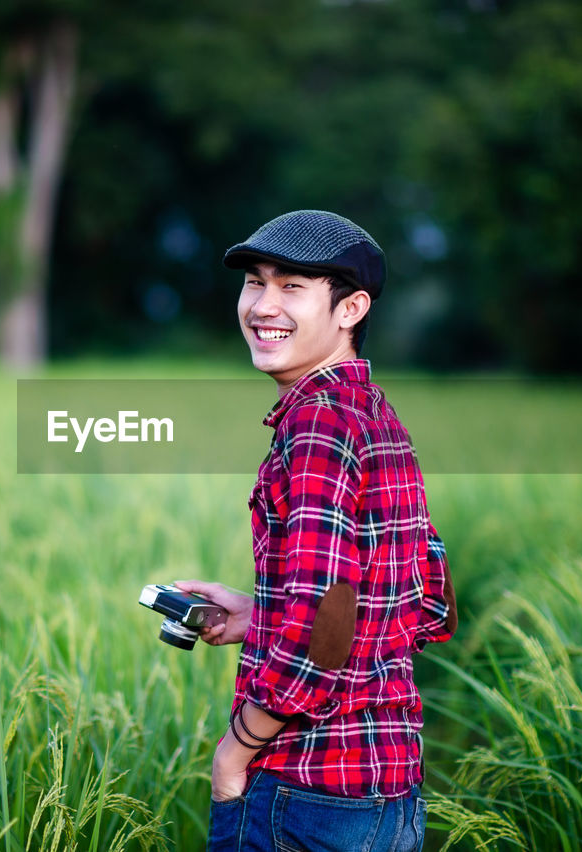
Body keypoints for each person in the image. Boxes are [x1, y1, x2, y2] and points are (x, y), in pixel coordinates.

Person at [176, 210, 458, 852]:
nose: (262, 305)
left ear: (351, 309)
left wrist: (235, 753)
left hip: (305, 795)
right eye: (255, 282)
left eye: (292, 287)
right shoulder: (374, 415)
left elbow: (318, 647)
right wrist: (263, 615)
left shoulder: (317, 428)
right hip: (388, 795)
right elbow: (427, 605)